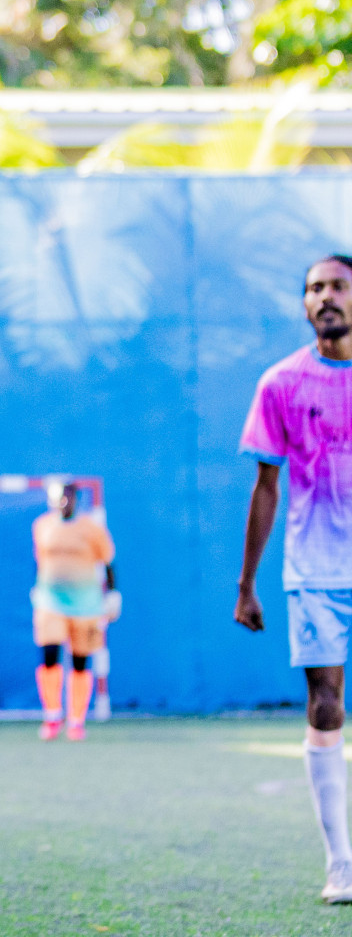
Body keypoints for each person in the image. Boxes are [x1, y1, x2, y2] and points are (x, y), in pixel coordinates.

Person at [236, 253, 352, 904]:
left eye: (337, 286)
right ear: (304, 304)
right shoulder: (280, 382)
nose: (326, 297)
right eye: (315, 289)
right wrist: (246, 583)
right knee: (326, 703)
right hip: (315, 571)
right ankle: (341, 863)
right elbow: (265, 486)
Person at [30, 481, 118, 742]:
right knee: (49, 654)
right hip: (50, 601)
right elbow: (41, 560)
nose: (63, 501)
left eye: (68, 496)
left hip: (86, 605)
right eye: (58, 496)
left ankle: (76, 720)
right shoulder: (42, 526)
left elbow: (109, 562)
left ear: (75, 498)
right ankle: (52, 714)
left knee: (80, 661)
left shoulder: (92, 528)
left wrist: (113, 595)